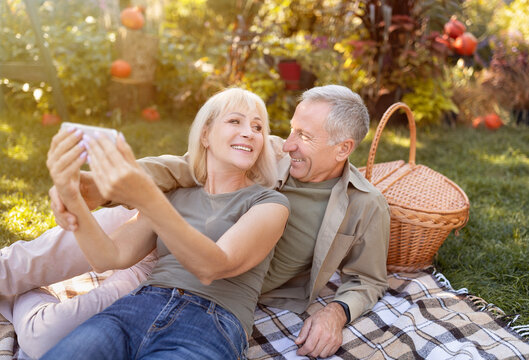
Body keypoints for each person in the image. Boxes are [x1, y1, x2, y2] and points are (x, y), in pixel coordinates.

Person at [0, 85, 390, 358]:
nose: (284, 144)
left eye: (303, 136)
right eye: (288, 129)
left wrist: (336, 311)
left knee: (45, 336)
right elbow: (185, 168)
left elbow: (368, 279)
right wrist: (89, 191)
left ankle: (18, 298)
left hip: (211, 276)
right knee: (41, 254)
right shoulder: (265, 150)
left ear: (343, 148)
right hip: (166, 238)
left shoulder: (360, 205)